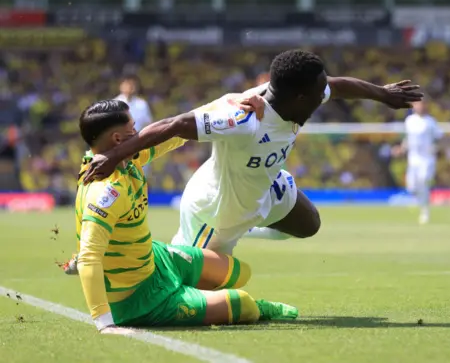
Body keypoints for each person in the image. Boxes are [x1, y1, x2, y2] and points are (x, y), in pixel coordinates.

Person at [83, 49, 423, 255]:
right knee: (195, 288)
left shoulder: (303, 94)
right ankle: (162, 253)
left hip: (266, 186)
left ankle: (251, 224)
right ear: (299, 97)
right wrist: (114, 156)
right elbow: (175, 124)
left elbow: (341, 86)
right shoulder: (243, 118)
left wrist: (382, 93)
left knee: (310, 225)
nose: (326, 94)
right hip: (217, 209)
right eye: (320, 89)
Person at [74, 100, 297, 335]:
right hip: (137, 298)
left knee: (240, 272)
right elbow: (89, 258)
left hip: (154, 259)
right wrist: (104, 323)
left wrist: (236, 105)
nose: (140, 134)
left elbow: (177, 132)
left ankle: (185, 293)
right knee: (244, 304)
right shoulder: (106, 191)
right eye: (134, 129)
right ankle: (219, 304)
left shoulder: (129, 158)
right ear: (118, 139)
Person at [392, 99, 443, 225]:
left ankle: (425, 212)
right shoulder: (410, 121)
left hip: (427, 159)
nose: (419, 107)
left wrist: (438, 148)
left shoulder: (431, 122)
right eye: (417, 104)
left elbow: (440, 138)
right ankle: (420, 202)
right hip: (413, 159)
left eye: (421, 104)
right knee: (412, 187)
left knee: (423, 181)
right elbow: (408, 139)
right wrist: (401, 149)